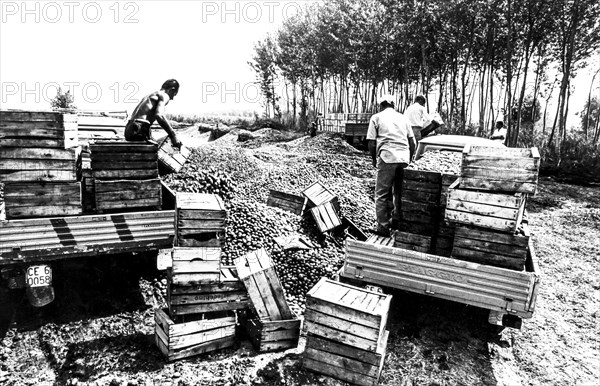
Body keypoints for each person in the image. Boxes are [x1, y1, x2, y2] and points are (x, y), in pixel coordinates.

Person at [367, 94, 416, 237]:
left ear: (381, 106)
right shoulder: (403, 118)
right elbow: (412, 142)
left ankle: (383, 227)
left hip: (387, 156)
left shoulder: (376, 117)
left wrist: (374, 159)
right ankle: (397, 223)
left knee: (382, 193)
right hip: (404, 158)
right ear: (393, 105)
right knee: (399, 193)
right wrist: (410, 159)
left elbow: (371, 142)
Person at [125, 79, 182, 148]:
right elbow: (159, 115)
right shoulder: (164, 95)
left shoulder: (149, 96)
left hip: (129, 127)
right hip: (140, 127)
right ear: (171, 90)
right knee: (151, 155)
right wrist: (173, 135)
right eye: (174, 94)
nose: (172, 98)